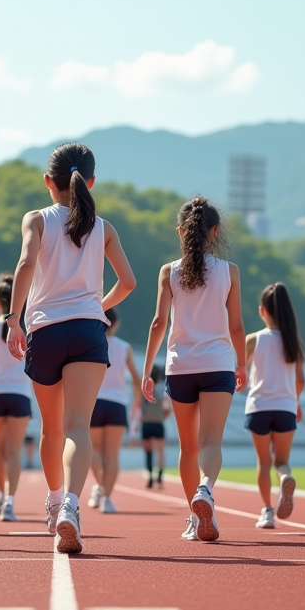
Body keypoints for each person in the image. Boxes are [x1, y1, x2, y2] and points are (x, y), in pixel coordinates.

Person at [5, 142, 137, 554]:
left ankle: (54, 500)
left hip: (45, 330)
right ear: (90, 182)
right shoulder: (104, 227)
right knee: (79, 426)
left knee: (52, 428)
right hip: (87, 330)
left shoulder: (37, 219)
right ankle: (72, 508)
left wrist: (13, 319)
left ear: (48, 181)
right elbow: (129, 282)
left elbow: (26, 265)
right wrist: (98, 305)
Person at [140, 196, 246, 543]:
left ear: (180, 232)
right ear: (214, 231)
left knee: (187, 448)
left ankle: (193, 516)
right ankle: (206, 489)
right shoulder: (230, 272)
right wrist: (242, 364)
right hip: (218, 365)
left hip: (180, 367)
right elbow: (237, 327)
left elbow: (158, 323)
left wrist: (146, 371)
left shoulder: (168, 271)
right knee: (210, 441)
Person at [244, 283, 305, 529]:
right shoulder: (293, 343)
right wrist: (295, 401)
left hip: (259, 406)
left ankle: (267, 511)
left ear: (262, 311)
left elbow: (238, 369)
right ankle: (285, 477)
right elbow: (301, 380)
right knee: (281, 461)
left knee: (263, 462)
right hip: (285, 407)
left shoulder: (254, 340)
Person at [0, 273, 33, 523]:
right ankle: (10, 502)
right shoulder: (27, 331)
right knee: (14, 451)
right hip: (19, 394)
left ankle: (1, 495)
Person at [88, 308, 141, 514]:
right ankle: (106, 498)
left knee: (95, 451)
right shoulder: (125, 347)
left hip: (95, 401)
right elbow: (135, 378)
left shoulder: (91, 342)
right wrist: (137, 401)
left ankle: (100, 487)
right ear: (116, 324)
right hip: (117, 403)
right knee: (112, 454)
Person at [136, 364, 171, 489]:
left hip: (146, 423)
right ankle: (160, 477)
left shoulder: (143, 389)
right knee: (160, 452)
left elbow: (138, 406)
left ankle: (150, 476)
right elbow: (167, 409)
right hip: (158, 423)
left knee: (148, 452)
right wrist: (161, 417)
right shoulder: (162, 390)